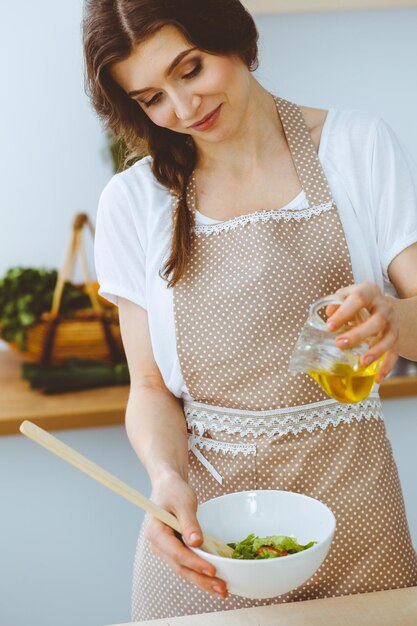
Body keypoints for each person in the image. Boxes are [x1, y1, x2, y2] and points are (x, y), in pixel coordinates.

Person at [83, 0, 417, 621]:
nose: (183, 110)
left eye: (191, 69)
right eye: (151, 98)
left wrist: (396, 321)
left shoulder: (355, 146)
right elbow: (150, 387)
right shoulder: (134, 200)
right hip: (210, 536)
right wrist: (164, 480)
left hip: (359, 517)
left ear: (231, 35)